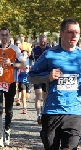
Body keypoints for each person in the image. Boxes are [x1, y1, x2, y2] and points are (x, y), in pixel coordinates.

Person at [28, 18, 81, 150]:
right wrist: (48, 77)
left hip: (74, 112)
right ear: (61, 34)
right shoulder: (50, 55)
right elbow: (31, 77)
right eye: (70, 32)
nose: (74, 35)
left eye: (77, 32)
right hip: (52, 111)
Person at [0, 27, 26, 147]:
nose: (4, 37)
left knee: (9, 110)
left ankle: (7, 130)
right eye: (2, 35)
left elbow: (23, 65)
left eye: (6, 35)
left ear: (9, 36)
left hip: (10, 83)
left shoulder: (15, 49)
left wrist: (11, 64)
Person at [30, 34, 50, 124]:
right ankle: (38, 115)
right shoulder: (35, 50)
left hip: (46, 75)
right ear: (39, 41)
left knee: (45, 95)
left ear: (47, 41)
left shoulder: (50, 50)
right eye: (41, 40)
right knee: (38, 94)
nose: (43, 42)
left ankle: (44, 113)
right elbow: (30, 59)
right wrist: (30, 65)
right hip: (37, 75)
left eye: (44, 41)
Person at [16, 49, 31, 114]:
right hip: (21, 80)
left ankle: (21, 99)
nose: (24, 55)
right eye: (23, 54)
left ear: (28, 55)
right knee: (24, 94)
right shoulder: (19, 62)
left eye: (25, 54)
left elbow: (33, 69)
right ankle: (24, 108)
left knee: (27, 96)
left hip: (29, 80)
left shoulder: (30, 62)